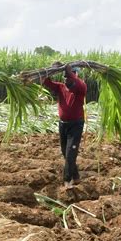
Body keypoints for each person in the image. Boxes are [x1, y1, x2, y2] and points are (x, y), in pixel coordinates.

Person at [42, 62, 87, 190]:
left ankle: (67, 180)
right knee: (65, 152)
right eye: (66, 78)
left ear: (75, 76)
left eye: (70, 77)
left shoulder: (81, 86)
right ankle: (76, 176)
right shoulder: (60, 87)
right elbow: (46, 82)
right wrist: (49, 71)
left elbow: (76, 82)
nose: (67, 80)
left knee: (70, 153)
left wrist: (69, 72)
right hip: (63, 125)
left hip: (76, 125)